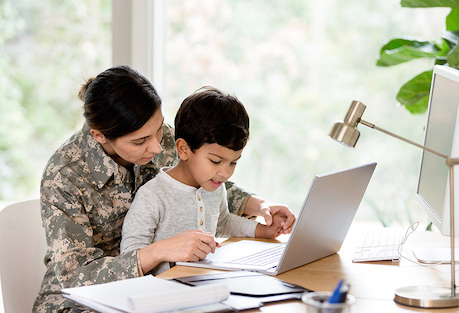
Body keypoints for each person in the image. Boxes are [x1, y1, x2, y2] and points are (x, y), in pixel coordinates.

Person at [34, 65, 296, 312]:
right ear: (100, 136)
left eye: (158, 130)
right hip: (82, 303)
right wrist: (160, 250)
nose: (157, 147)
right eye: (141, 141)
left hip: (158, 285)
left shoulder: (165, 138)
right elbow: (75, 277)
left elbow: (203, 179)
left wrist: (260, 206)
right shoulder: (65, 175)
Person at [121, 86, 286, 275]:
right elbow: (130, 255)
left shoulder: (215, 187)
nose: (225, 173)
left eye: (233, 163)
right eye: (215, 161)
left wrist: (263, 230)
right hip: (164, 292)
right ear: (183, 149)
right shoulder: (153, 196)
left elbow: (223, 223)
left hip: (204, 282)